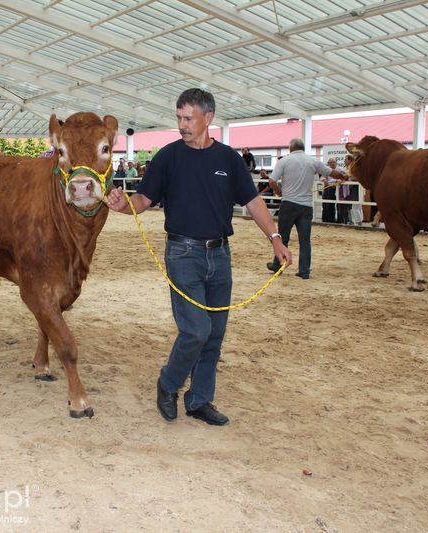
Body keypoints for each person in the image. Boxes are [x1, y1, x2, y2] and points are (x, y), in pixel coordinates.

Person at [105, 88, 291, 427]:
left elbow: (253, 202)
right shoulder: (168, 157)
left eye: (188, 118)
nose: (182, 125)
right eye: (178, 117)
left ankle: (200, 400)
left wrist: (275, 238)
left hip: (220, 256)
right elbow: (143, 201)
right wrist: (123, 205)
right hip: (182, 254)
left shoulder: (229, 159)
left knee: (215, 334)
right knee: (196, 330)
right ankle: (168, 383)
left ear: (209, 118)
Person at [266, 138, 346, 280]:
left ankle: (278, 265)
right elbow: (331, 173)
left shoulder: (284, 161)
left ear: (291, 148)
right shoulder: (313, 161)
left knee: (283, 237)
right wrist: (343, 175)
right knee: (305, 240)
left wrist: (279, 191)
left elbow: (271, 181)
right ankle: (304, 271)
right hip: (306, 206)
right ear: (303, 148)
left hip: (289, 204)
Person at [320, 158, 340, 223]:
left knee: (332, 205)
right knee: (325, 204)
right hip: (327, 188)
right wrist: (324, 179)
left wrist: (337, 180)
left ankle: (331, 220)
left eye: (333, 162)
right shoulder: (326, 170)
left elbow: (343, 177)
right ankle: (325, 219)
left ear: (336, 163)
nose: (331, 164)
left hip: (335, 188)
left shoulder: (339, 170)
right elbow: (322, 177)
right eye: (330, 162)